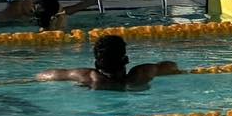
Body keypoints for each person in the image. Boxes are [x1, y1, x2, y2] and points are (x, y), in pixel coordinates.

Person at [35, 34, 178, 90]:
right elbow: (172, 66)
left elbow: (43, 75)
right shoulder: (141, 74)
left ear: (96, 64)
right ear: (126, 60)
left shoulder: (87, 76)